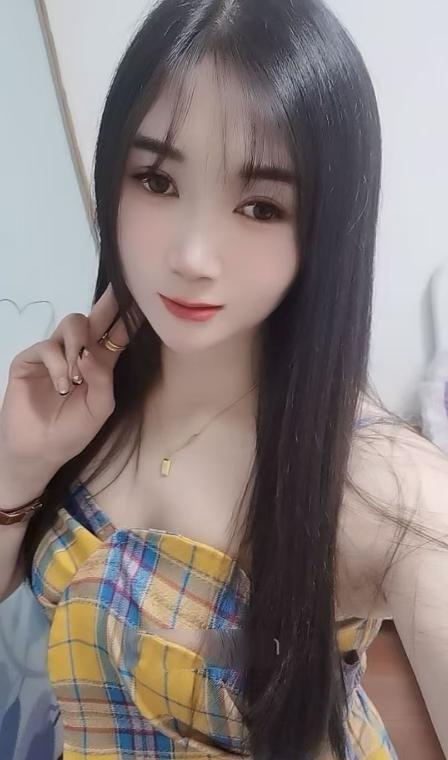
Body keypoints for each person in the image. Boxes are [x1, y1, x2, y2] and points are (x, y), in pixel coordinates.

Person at [1, 0, 447, 758]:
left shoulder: (377, 481)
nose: (193, 256)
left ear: (328, 227)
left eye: (260, 205)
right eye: (157, 180)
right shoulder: (84, 388)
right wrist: (19, 466)